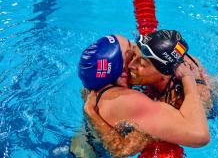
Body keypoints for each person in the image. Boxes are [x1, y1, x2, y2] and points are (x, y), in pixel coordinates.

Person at [72, 32, 210, 157]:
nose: (132, 64)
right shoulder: (127, 100)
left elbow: (201, 128)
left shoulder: (182, 91)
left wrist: (192, 81)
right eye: (131, 56)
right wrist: (91, 113)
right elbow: (122, 149)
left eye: (140, 61)